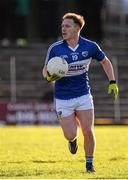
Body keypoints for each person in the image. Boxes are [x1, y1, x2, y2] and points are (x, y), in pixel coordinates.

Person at [42, 13, 118, 173]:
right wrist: (49, 76)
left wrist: (112, 81)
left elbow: (105, 61)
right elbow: (45, 71)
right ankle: (72, 140)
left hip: (83, 95)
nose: (63, 29)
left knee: (88, 130)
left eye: (67, 26)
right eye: (62, 26)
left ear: (77, 28)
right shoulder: (55, 49)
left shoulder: (90, 46)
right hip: (63, 98)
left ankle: (89, 164)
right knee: (70, 134)